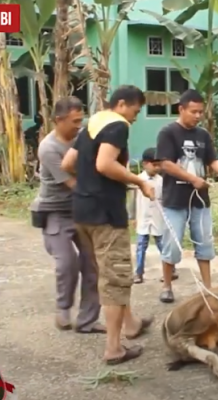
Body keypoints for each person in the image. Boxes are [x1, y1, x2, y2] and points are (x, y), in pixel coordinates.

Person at [60, 85, 155, 365]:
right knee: (115, 277)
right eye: (136, 111)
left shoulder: (94, 123)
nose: (136, 117)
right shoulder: (117, 125)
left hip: (82, 212)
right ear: (122, 104)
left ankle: (132, 324)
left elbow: (68, 163)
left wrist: (88, 185)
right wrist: (139, 181)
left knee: (110, 273)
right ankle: (114, 348)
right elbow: (104, 164)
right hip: (105, 215)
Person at [155, 89, 218, 304]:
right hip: (175, 199)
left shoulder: (203, 135)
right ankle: (167, 286)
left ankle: (208, 288)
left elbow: (213, 161)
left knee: (204, 243)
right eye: (193, 112)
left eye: (201, 112)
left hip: (200, 200)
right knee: (172, 245)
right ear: (181, 109)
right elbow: (165, 163)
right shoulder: (168, 133)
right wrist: (192, 179)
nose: (197, 116)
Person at [29, 97, 105, 334]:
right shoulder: (48, 148)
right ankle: (63, 307)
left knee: (92, 265)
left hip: (81, 210)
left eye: (81, 120)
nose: (78, 126)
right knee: (67, 262)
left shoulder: (83, 136)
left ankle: (88, 320)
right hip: (56, 212)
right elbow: (72, 183)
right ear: (58, 120)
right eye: (74, 121)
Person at [131, 147, 175, 284]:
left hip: (158, 218)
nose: (157, 168)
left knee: (162, 245)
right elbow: (132, 201)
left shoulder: (162, 181)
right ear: (145, 164)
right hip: (143, 218)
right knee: (140, 247)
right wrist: (132, 217)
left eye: (158, 165)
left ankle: (170, 271)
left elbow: (166, 200)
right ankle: (138, 273)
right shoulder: (138, 180)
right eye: (154, 164)